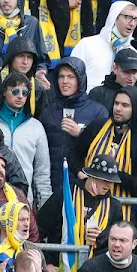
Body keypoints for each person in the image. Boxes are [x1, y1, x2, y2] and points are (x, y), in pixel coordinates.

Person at [40, 58, 109, 194]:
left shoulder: (98, 112)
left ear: (81, 80)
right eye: (61, 77)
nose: (65, 82)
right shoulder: (48, 112)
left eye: (71, 77)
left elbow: (107, 148)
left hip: (85, 188)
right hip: (51, 186)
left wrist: (82, 133)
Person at [0, 72, 52, 210]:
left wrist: (44, 208)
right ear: (4, 92)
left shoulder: (36, 127)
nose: (20, 96)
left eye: (25, 93)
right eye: (15, 91)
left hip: (24, 200)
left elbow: (42, 174)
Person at [70, 1, 137, 94]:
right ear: (114, 17)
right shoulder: (86, 45)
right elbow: (71, 77)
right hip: (88, 105)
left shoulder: (134, 55)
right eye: (128, 17)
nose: (132, 23)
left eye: (135, 19)